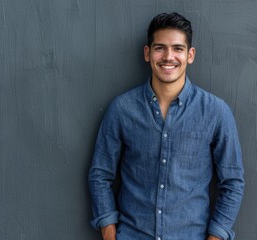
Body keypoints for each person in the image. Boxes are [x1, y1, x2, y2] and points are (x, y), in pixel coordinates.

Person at [88, 12, 244, 240]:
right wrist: (109, 232)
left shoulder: (216, 112)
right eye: (160, 48)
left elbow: (232, 182)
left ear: (190, 55)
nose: (168, 56)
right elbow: (100, 174)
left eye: (178, 48)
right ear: (147, 53)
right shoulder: (122, 109)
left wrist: (216, 236)